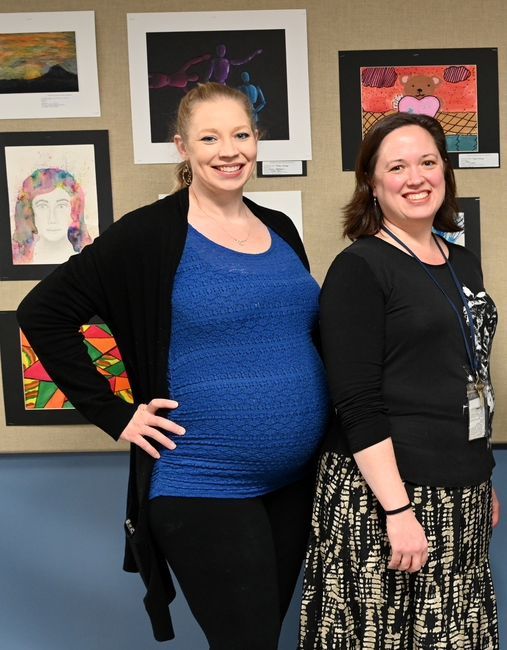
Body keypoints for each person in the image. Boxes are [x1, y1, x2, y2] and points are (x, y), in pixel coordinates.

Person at [17, 82, 330, 649]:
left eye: (240, 134)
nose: (228, 150)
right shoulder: (150, 234)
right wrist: (116, 415)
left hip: (293, 484)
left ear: (257, 139)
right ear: (182, 146)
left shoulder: (280, 226)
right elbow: (42, 313)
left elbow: (298, 333)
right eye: (209, 138)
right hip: (203, 482)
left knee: (264, 637)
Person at [299, 112, 500, 649]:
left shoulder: (462, 262)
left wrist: (481, 475)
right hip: (384, 497)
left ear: (445, 171)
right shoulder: (360, 268)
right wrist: (397, 510)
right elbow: (356, 402)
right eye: (397, 166)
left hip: (461, 488)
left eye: (428, 162)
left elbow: (464, 373)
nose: (416, 178)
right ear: (372, 182)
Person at [11, 167, 93, 265]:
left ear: (74, 210)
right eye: (42, 206)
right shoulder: (20, 262)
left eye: (61, 206)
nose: (52, 219)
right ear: (30, 212)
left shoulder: (88, 260)